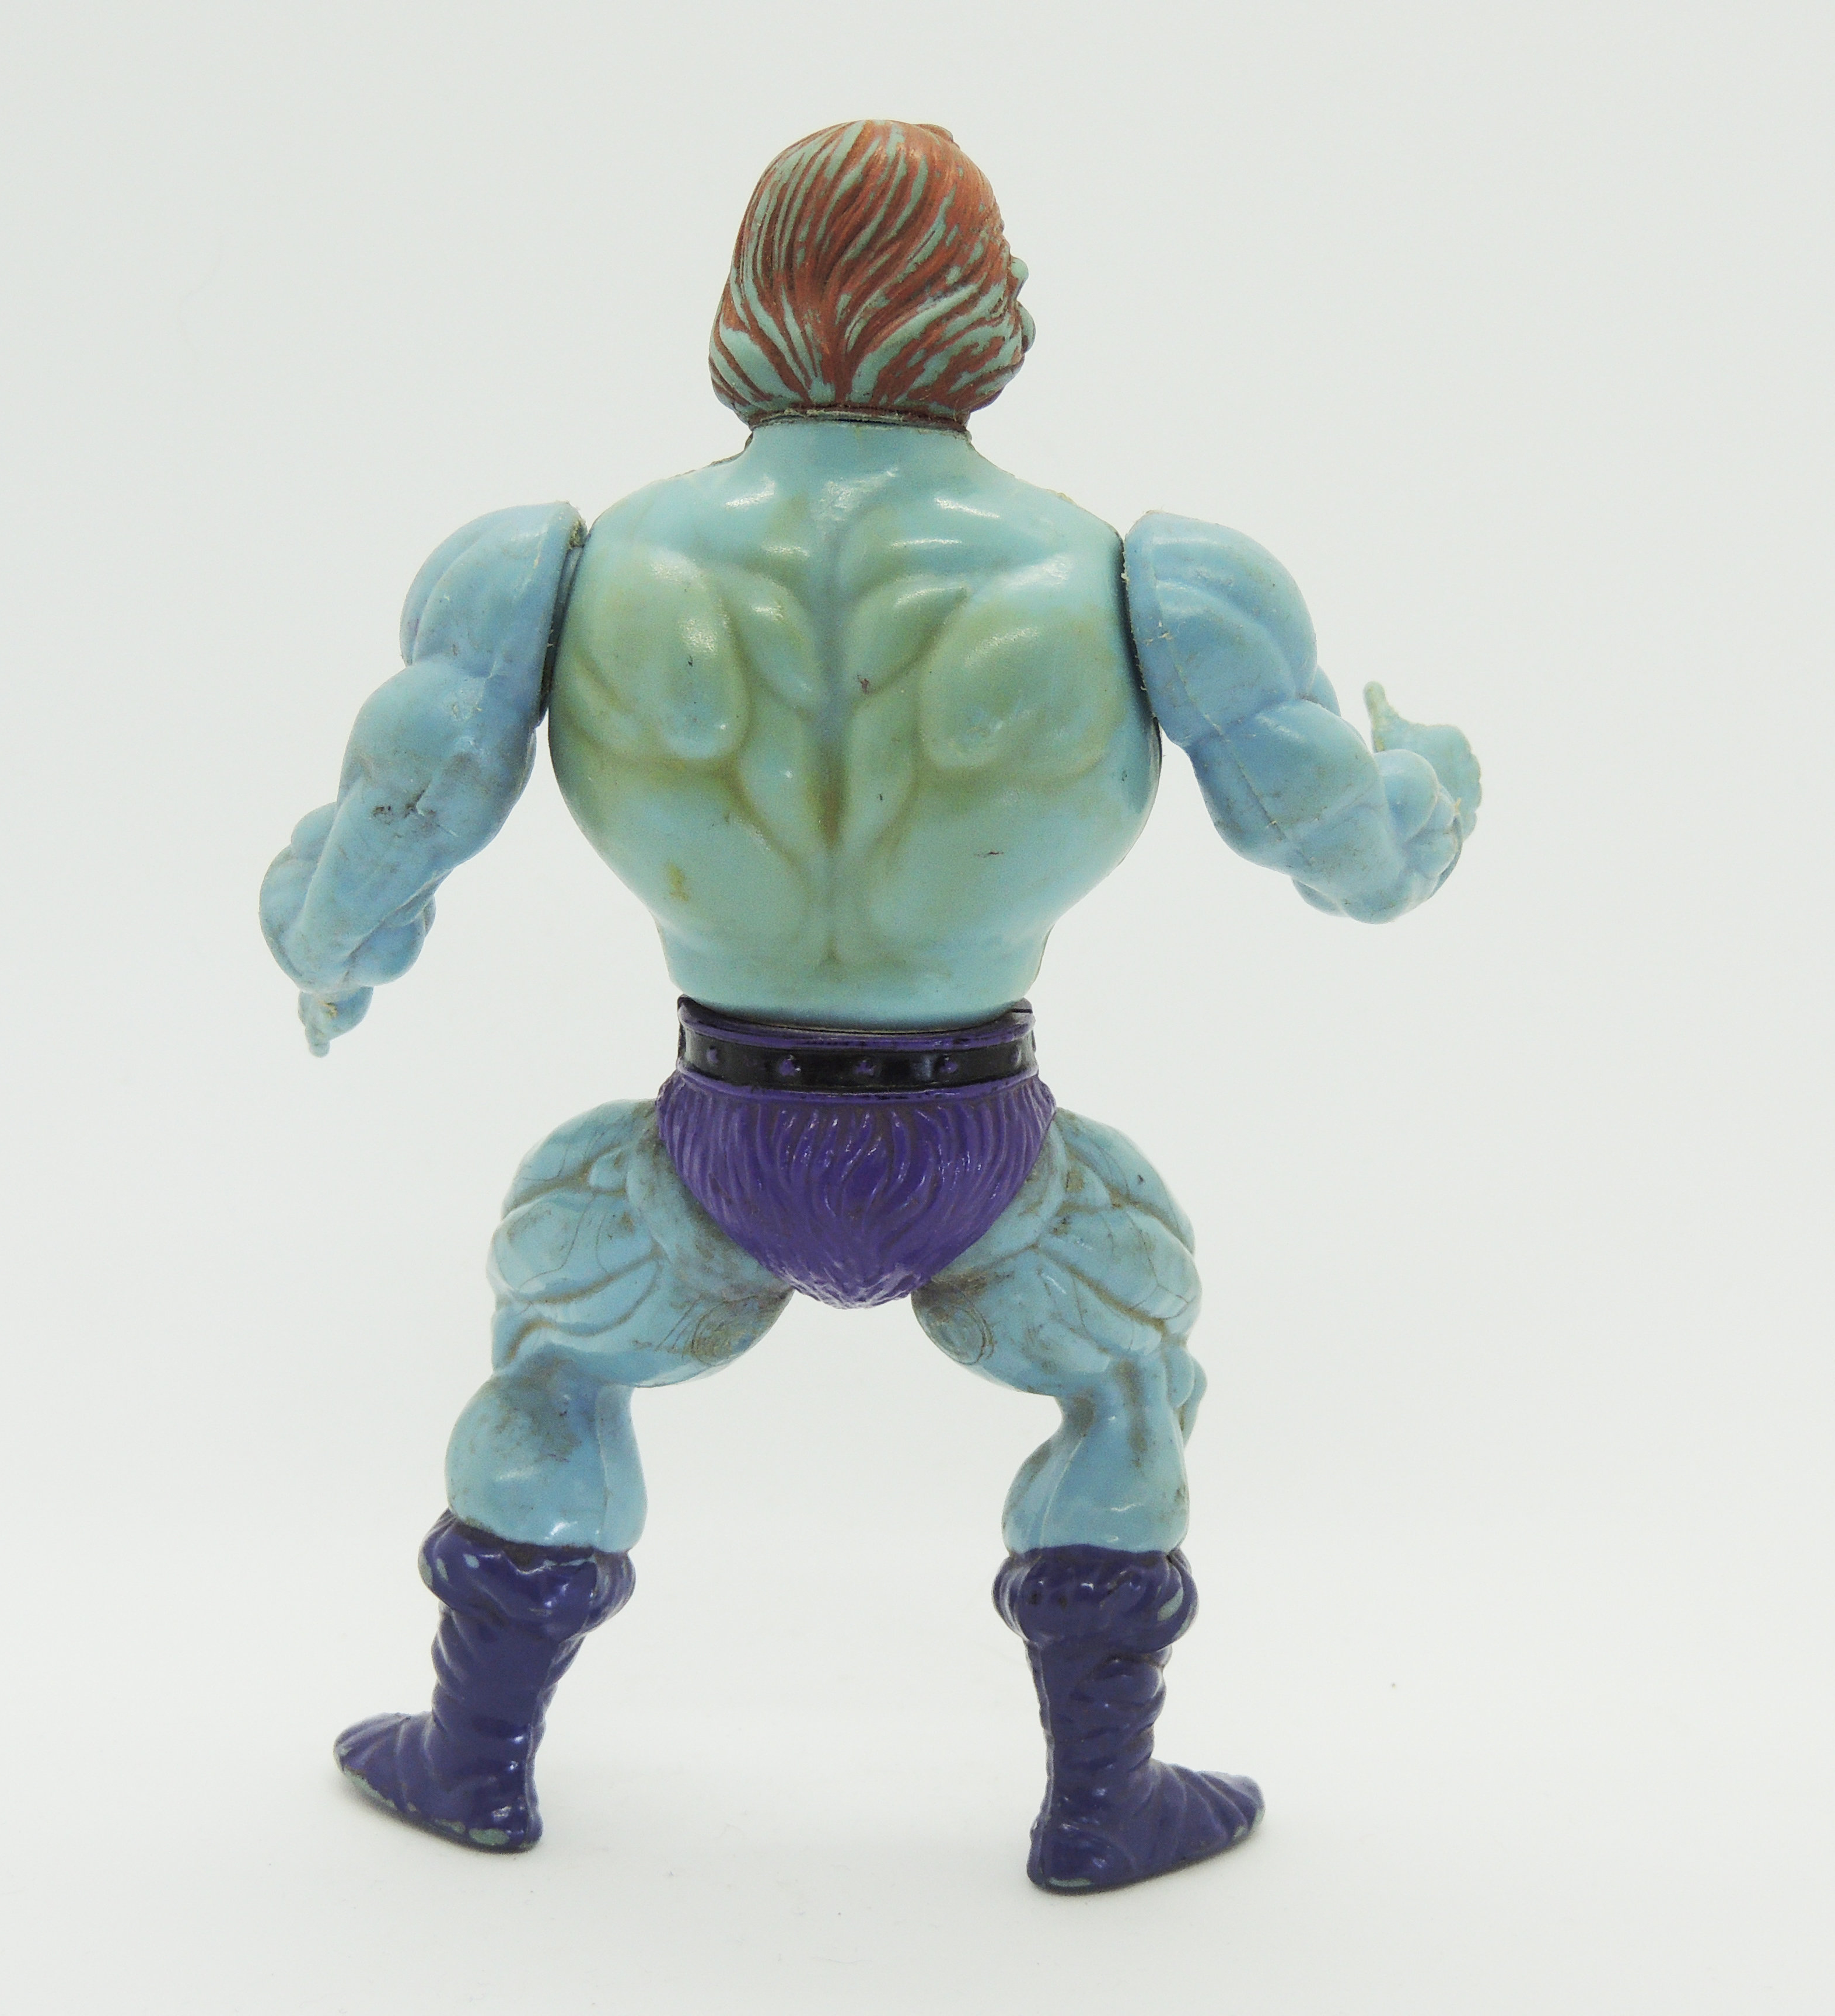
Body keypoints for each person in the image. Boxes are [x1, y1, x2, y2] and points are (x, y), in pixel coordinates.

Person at [261, 118, 1480, 1894]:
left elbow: (393, 823)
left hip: (710, 1136)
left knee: (551, 1362)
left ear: (749, 299)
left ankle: (471, 1757)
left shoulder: (566, 566)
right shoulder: (1145, 580)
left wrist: (326, 958)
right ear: (985, 305)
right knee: (1131, 1382)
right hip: (990, 1144)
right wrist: (1431, 789)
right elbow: (1356, 855)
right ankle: (1103, 1802)